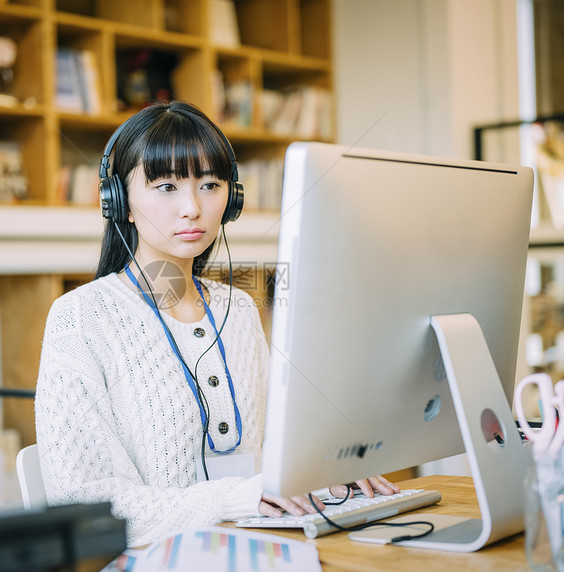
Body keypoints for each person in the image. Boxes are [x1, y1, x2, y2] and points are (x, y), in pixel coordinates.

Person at [34, 100, 399, 546]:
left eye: (210, 184)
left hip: (258, 545)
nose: (192, 207)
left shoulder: (239, 309)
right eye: (166, 186)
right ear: (119, 203)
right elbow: (84, 503)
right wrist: (232, 499)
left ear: (232, 200)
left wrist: (332, 476)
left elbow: (272, 458)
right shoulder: (81, 318)